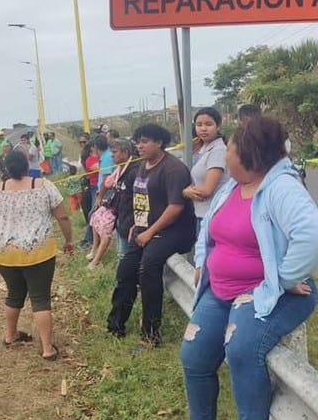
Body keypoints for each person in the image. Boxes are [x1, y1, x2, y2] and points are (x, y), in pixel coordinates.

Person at [180, 117, 318, 420]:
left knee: (242, 350)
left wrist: (282, 279)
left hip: (264, 293)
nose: (225, 154)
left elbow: (316, 237)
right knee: (193, 355)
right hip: (220, 289)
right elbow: (210, 229)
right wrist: (203, 262)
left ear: (248, 156)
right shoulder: (233, 186)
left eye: (230, 148)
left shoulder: (281, 187)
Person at [107, 124, 196, 347]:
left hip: (173, 231)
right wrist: (137, 226)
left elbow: (175, 208)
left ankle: (150, 334)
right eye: (138, 141)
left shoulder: (173, 169)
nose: (140, 145)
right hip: (145, 229)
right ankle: (115, 326)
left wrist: (150, 231)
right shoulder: (142, 167)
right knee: (126, 269)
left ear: (159, 142)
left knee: (148, 268)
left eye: (145, 141)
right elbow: (140, 200)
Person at [0, 150, 74, 360]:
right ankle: (47, 348)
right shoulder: (44, 186)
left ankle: (10, 335)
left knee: (14, 294)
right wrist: (69, 240)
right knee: (40, 297)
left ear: (5, 168)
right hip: (38, 253)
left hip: (5, 253)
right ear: (27, 165)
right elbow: (63, 217)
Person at [87, 139, 136, 270]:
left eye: (114, 152)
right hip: (118, 212)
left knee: (111, 237)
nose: (112, 155)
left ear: (125, 152)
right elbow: (108, 182)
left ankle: (97, 261)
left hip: (126, 216)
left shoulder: (134, 170)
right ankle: (95, 252)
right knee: (95, 218)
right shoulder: (120, 168)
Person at [182, 107, 229, 228]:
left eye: (208, 124)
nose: (203, 128)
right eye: (199, 124)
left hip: (213, 215)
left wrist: (184, 192)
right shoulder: (201, 149)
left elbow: (207, 191)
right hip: (201, 214)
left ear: (218, 126)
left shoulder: (218, 151)